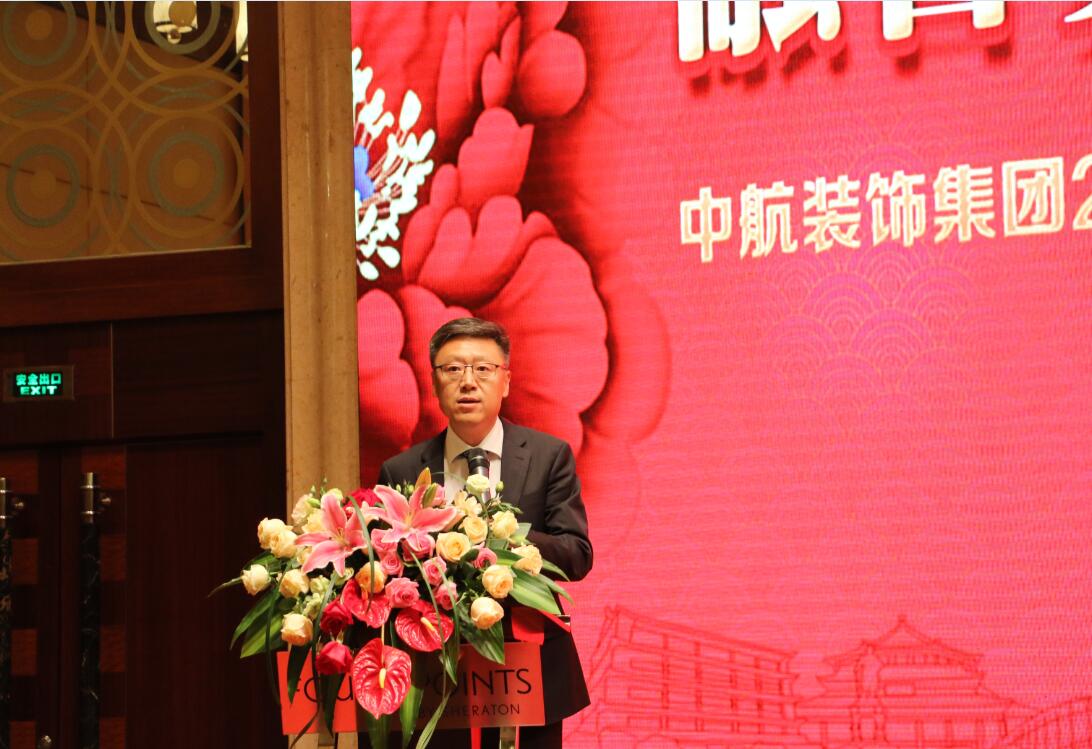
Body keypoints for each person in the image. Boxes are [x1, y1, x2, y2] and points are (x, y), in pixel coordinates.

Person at [377, 317, 593, 749]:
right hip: (437, 671)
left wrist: (502, 539)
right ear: (435, 383)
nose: (468, 382)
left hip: (528, 666)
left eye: (483, 369)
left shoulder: (549, 456)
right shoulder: (402, 470)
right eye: (453, 369)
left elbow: (576, 555)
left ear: (506, 381)